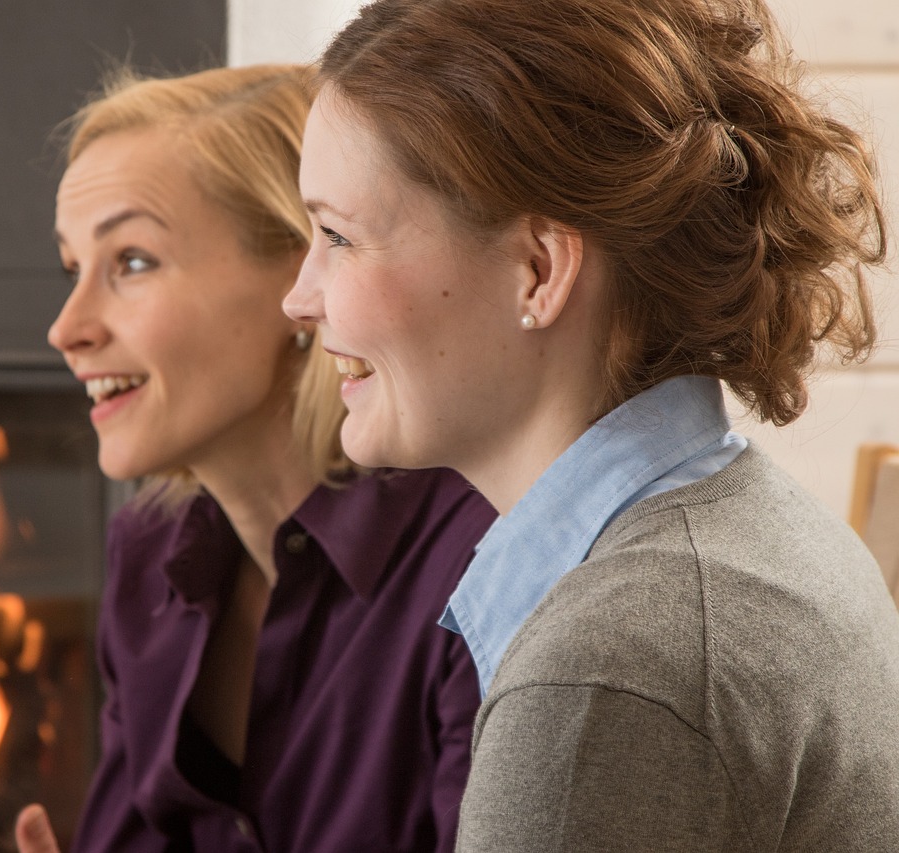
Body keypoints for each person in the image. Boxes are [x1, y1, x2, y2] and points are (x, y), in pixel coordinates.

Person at [282, 0, 899, 849]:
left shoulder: (610, 665)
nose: (299, 297)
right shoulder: (753, 535)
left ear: (538, 271)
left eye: (337, 236)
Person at [0, 63, 496, 853]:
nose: (67, 328)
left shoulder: (476, 567)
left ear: (301, 270)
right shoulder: (150, 562)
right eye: (73, 269)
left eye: (132, 262)